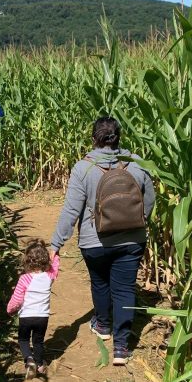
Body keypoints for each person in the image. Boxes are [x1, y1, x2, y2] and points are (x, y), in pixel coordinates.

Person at [49, 116, 155, 366]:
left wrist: (55, 245)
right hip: (131, 241)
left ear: (94, 138)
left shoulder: (83, 168)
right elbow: (148, 199)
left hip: (93, 241)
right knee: (125, 289)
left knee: (100, 283)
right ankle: (121, 347)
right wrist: (138, 222)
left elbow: (71, 211)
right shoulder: (137, 164)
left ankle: (103, 325)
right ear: (119, 137)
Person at [7, 239, 60, 377]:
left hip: (26, 316)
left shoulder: (24, 279)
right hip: (42, 317)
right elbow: (55, 268)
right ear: (45, 261)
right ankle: (40, 365)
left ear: (27, 261)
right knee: (38, 341)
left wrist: (10, 309)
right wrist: (55, 254)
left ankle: (29, 360)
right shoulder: (49, 277)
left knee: (23, 340)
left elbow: (17, 298)